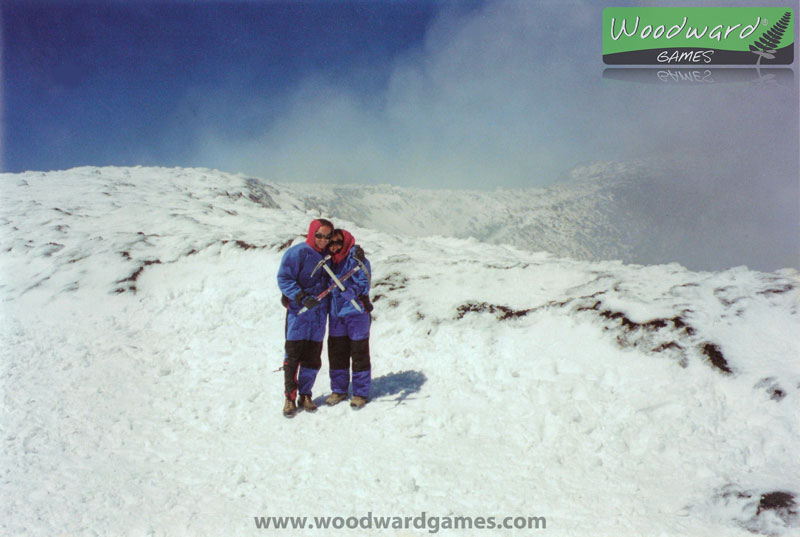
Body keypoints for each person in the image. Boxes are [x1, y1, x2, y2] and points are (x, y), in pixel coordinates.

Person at [277, 218, 334, 418]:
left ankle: (305, 394)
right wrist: (299, 296)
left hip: (318, 316)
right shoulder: (297, 253)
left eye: (327, 236)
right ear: (311, 233)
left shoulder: (329, 255)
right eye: (319, 235)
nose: (323, 240)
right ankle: (289, 397)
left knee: (312, 357)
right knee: (293, 356)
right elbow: (284, 278)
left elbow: (346, 253)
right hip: (298, 314)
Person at [324, 229, 373, 409]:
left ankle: (360, 392)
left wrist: (352, 292)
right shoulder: (329, 262)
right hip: (336, 314)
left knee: (359, 353)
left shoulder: (357, 261)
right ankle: (339, 389)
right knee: (337, 354)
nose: (335, 246)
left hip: (356, 313)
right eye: (332, 242)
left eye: (339, 242)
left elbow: (364, 283)